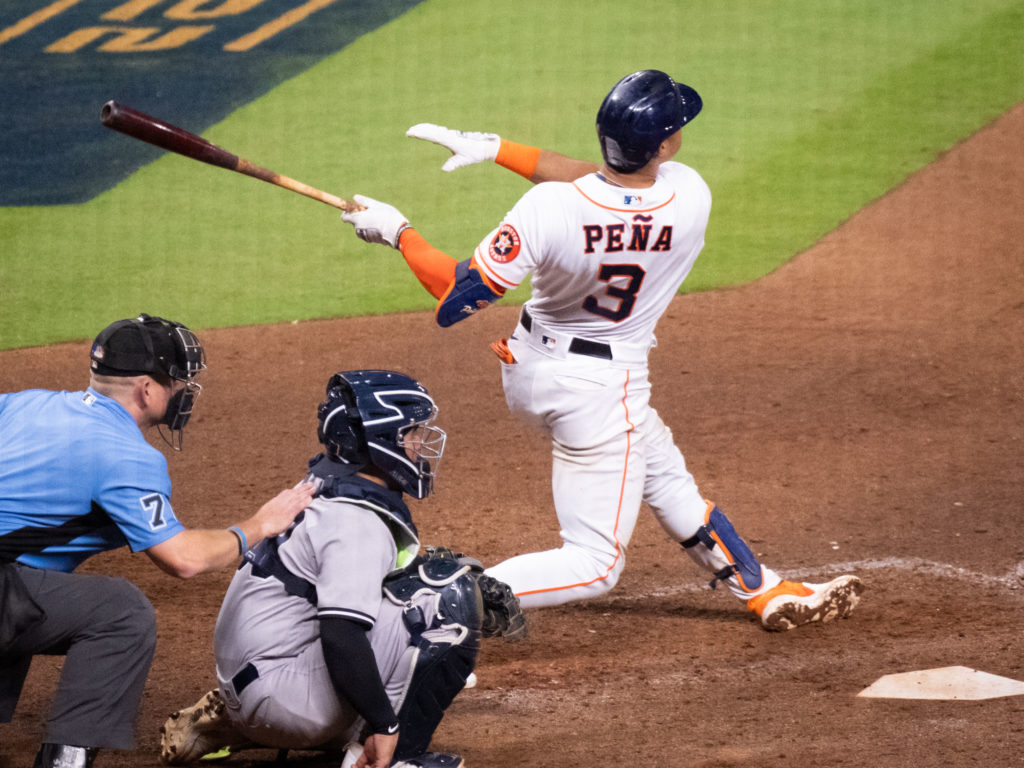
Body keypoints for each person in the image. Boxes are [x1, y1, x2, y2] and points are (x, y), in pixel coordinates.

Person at [339, 70, 864, 630]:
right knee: (595, 564)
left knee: (662, 474)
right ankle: (428, 603)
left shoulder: (548, 208)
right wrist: (495, 149)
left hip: (533, 369)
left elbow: (457, 298)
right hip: (599, 391)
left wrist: (400, 234)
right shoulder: (689, 194)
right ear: (661, 146)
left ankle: (761, 589)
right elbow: (606, 183)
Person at [159, 369, 524, 768]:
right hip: (280, 695)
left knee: (413, 582)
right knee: (445, 601)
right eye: (412, 432)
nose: (421, 443)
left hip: (256, 677)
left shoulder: (327, 484)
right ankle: (392, 758)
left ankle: (240, 724)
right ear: (380, 443)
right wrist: (385, 725)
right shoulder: (356, 522)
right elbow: (341, 634)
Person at [0, 313, 315, 768]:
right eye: (177, 382)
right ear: (147, 390)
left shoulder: (25, 404)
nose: (183, 391)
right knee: (120, 611)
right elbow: (183, 559)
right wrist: (258, 526)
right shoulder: (126, 454)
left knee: (26, 585)